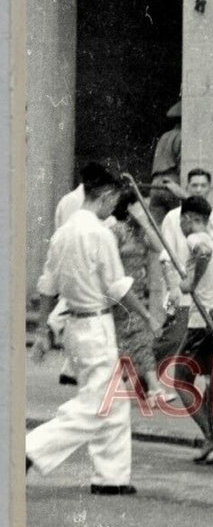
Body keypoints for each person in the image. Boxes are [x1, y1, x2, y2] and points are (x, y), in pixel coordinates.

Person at [26, 165, 164, 495]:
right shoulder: (99, 234)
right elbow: (118, 287)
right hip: (96, 324)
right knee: (96, 404)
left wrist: (46, 329)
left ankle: (111, 476)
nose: (113, 206)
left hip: (74, 324)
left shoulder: (62, 233)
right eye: (113, 199)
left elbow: (47, 285)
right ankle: (29, 448)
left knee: (113, 402)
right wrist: (147, 316)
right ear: (104, 196)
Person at [168, 195, 213, 463]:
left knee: (180, 380)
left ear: (188, 219)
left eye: (181, 222)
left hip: (202, 322)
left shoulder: (196, 238)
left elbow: (202, 253)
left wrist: (191, 282)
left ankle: (211, 436)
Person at [47, 163, 111, 387]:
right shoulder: (86, 209)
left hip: (72, 260)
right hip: (86, 262)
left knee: (73, 311)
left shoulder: (67, 201)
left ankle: (70, 366)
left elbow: (59, 228)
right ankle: (53, 327)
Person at [108, 188, 168, 403]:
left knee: (137, 339)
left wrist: (144, 222)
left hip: (137, 292)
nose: (145, 210)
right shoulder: (117, 231)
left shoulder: (142, 232)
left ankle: (147, 386)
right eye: (141, 206)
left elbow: (158, 246)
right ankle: (152, 387)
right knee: (137, 338)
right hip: (120, 294)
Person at [158, 168, 213, 328]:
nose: (199, 190)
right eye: (194, 185)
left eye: (203, 185)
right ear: (187, 186)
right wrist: (172, 290)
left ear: (210, 188)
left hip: (205, 299)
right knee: (171, 341)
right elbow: (165, 256)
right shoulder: (172, 217)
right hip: (178, 295)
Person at [148, 101, 184, 226]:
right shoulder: (182, 136)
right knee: (175, 224)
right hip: (171, 182)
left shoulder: (164, 136)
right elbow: (181, 163)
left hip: (155, 183)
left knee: (156, 226)